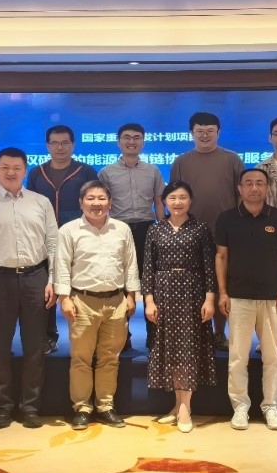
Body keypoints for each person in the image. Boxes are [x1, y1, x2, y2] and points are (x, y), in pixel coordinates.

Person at [0, 147, 58, 430]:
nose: (10, 172)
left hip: (35, 278)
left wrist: (53, 280)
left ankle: (30, 407)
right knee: (0, 347)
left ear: (25, 170)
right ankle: (3, 407)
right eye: (5, 167)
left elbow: (53, 244)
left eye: (16, 168)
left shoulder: (41, 202)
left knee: (35, 347)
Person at [55, 181, 140, 430]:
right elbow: (62, 265)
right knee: (81, 359)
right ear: (81, 202)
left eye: (101, 198)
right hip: (82, 302)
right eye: (90, 198)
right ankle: (82, 408)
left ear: (110, 202)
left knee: (110, 358)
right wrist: (64, 298)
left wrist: (131, 295)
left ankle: (105, 407)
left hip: (116, 302)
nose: (96, 203)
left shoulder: (122, 229)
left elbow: (130, 264)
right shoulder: (69, 230)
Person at [215, 168, 277, 431]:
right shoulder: (227, 218)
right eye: (248, 183)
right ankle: (240, 407)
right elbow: (221, 257)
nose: (254, 188)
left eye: (260, 183)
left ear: (267, 188)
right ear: (240, 188)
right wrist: (223, 292)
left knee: (273, 357)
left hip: (272, 297)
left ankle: (271, 407)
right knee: (238, 357)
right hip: (238, 297)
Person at [143, 181, 217, 434]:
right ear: (164, 201)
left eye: (183, 197)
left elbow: (209, 267)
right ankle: (177, 405)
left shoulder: (201, 229)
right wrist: (149, 300)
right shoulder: (155, 229)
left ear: (190, 201)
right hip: (163, 293)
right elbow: (148, 268)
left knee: (188, 349)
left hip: (192, 292)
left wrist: (209, 299)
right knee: (172, 351)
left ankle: (185, 407)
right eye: (172, 197)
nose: (177, 202)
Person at [170, 111, 244, 350]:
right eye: (199, 131)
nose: (205, 135)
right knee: (192, 284)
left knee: (222, 284)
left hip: (225, 232)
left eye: (210, 131)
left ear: (218, 133)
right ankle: (194, 334)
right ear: (191, 133)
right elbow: (174, 197)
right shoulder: (181, 162)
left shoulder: (232, 159)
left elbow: (240, 196)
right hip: (190, 233)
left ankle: (219, 333)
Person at [26, 125, 96, 354]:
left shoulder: (86, 171)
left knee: (81, 287)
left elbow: (94, 202)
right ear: (47, 145)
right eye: (55, 143)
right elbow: (30, 205)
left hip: (79, 237)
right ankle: (48, 337)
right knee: (46, 289)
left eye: (65, 143)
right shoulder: (36, 173)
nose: (60, 147)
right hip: (43, 239)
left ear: (73, 145)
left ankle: (86, 337)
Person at [98, 123, 165, 348]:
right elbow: (102, 204)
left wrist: (163, 229)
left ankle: (153, 335)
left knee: (150, 282)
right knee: (120, 283)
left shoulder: (153, 171)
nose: (131, 141)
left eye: (137, 137)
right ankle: (122, 336)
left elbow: (158, 201)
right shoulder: (106, 173)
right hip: (118, 229)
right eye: (127, 137)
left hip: (148, 228)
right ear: (118, 142)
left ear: (143, 142)